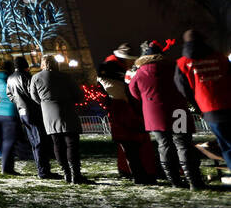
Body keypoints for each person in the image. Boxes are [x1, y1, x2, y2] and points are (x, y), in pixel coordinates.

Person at [130, 39, 204, 189]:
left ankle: (175, 182)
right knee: (183, 145)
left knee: (164, 146)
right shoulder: (173, 67)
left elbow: (134, 93)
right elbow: (186, 86)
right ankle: (194, 181)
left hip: (154, 114)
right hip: (178, 111)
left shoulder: (139, 73)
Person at [175, 28, 231, 182]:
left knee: (226, 145)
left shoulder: (183, 63)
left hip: (210, 109)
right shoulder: (220, 57)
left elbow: (183, 89)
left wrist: (198, 107)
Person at [96, 46, 158, 185]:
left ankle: (138, 173)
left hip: (124, 114)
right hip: (126, 114)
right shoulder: (119, 81)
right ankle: (141, 175)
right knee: (133, 147)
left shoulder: (112, 77)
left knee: (130, 148)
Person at [30, 54, 88, 183]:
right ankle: (76, 174)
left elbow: (34, 97)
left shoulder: (36, 78)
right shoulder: (66, 77)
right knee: (71, 144)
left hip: (49, 114)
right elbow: (78, 94)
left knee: (57, 144)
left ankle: (66, 172)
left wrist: (45, 103)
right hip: (67, 110)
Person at [7, 56, 59, 178]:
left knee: (34, 141)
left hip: (22, 112)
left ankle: (42, 169)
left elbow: (10, 95)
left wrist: (19, 103)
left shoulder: (10, 78)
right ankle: (44, 171)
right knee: (40, 141)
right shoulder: (25, 76)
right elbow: (33, 93)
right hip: (33, 111)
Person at [0, 61, 21, 174]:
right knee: (9, 141)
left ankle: (7, 167)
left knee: (6, 141)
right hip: (9, 112)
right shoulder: (9, 79)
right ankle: (7, 168)